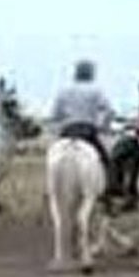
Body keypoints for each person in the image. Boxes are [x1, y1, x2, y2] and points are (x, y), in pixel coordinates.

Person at [50, 60, 116, 193]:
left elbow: (55, 114)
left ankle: (50, 190)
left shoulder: (63, 91)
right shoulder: (97, 91)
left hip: (68, 131)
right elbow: (107, 111)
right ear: (90, 73)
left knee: (52, 157)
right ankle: (109, 190)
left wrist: (59, 128)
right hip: (88, 131)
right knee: (106, 160)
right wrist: (101, 125)